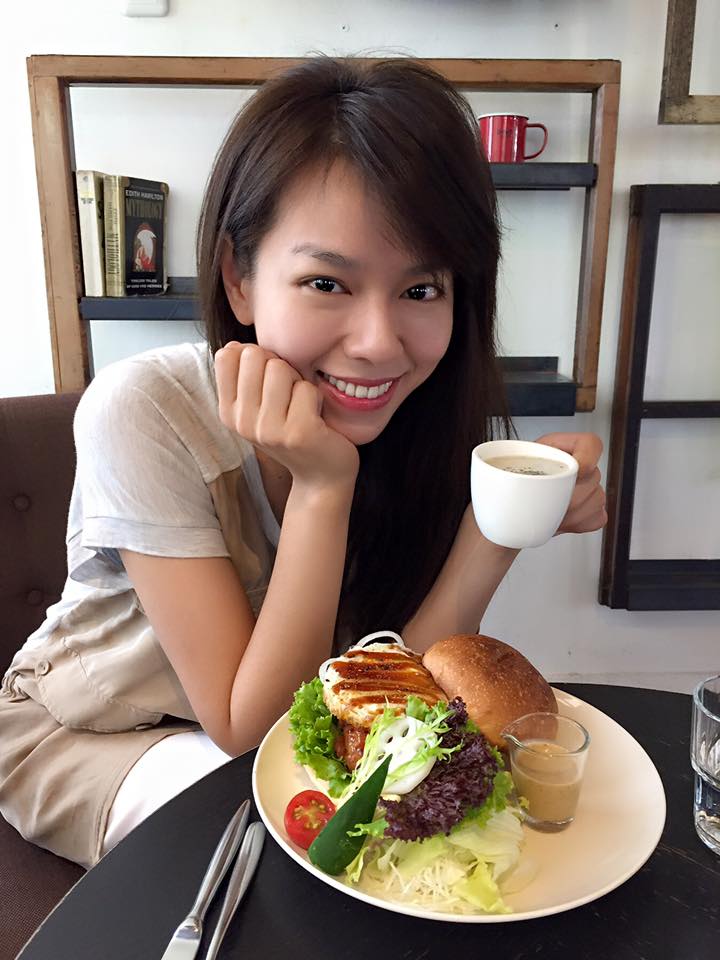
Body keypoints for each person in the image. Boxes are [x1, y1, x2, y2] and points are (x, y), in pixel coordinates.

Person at [0, 56, 606, 869]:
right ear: (239, 279)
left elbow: (390, 698)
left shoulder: (423, 419)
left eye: (420, 290)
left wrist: (496, 528)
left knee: (423, 834)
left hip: (286, 738)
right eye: (327, 282)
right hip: (94, 732)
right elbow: (250, 730)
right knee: (298, 848)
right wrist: (323, 487)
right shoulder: (146, 408)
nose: (378, 343)